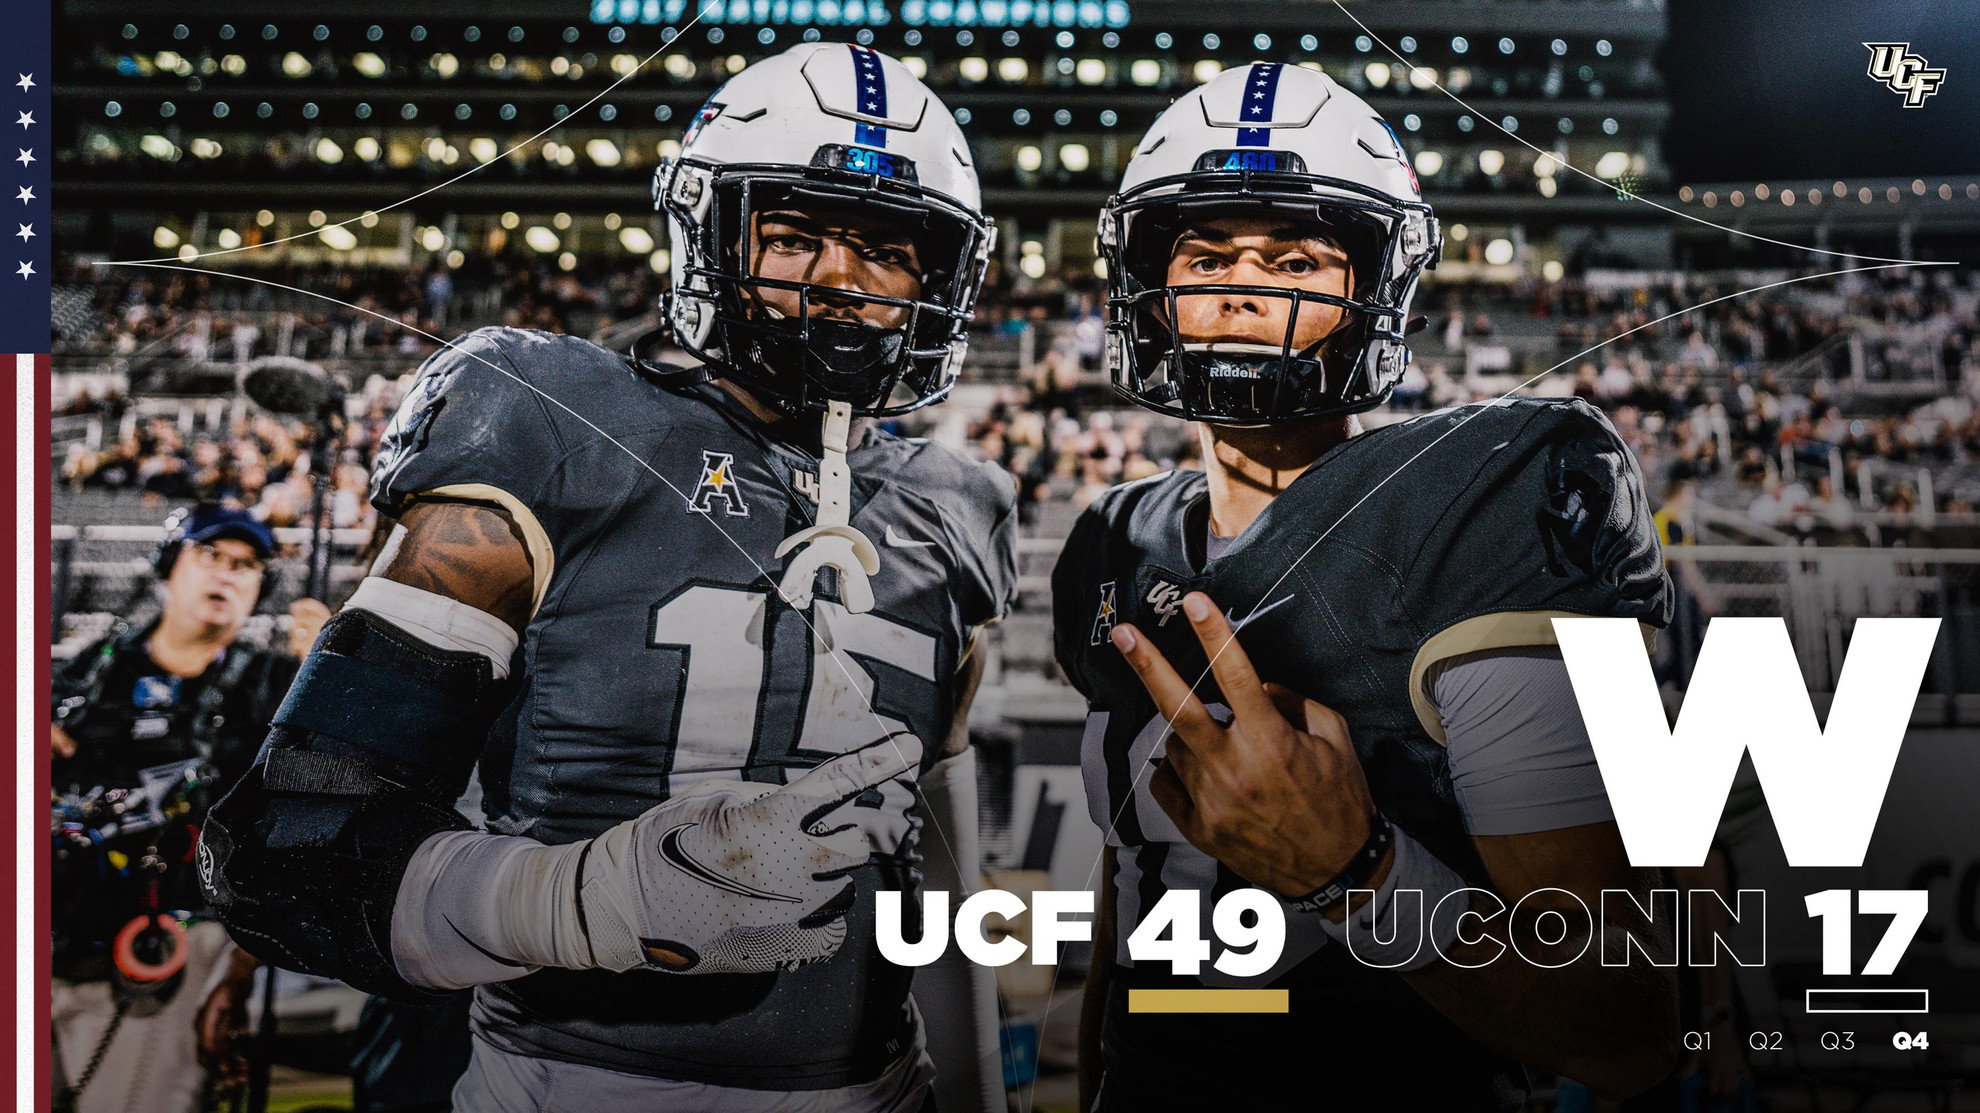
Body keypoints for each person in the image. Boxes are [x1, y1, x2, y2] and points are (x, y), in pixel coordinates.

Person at [201, 43, 1015, 1113]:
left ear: (939, 277)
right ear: (712, 238)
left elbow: (939, 874)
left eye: (887, 249)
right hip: (572, 1085)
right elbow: (283, 844)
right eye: (795, 235)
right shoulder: (550, 414)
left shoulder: (960, 501)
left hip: (880, 1086)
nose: (840, 280)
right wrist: (584, 899)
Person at [1054, 64, 1679, 1109]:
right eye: (1206, 255)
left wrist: (1362, 876)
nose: (1244, 286)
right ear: (1153, 292)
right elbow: (1136, 891)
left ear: (1368, 295)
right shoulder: (1114, 539)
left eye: (1296, 258)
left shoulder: (1471, 507)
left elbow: (1623, 1022)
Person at [49, 504, 329, 1113]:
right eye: (212, 556)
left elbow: (299, 826)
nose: (228, 576)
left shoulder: (283, 684)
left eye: (247, 566)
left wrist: (327, 686)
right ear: (169, 567)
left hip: (172, 949)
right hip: (52, 937)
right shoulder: (86, 671)